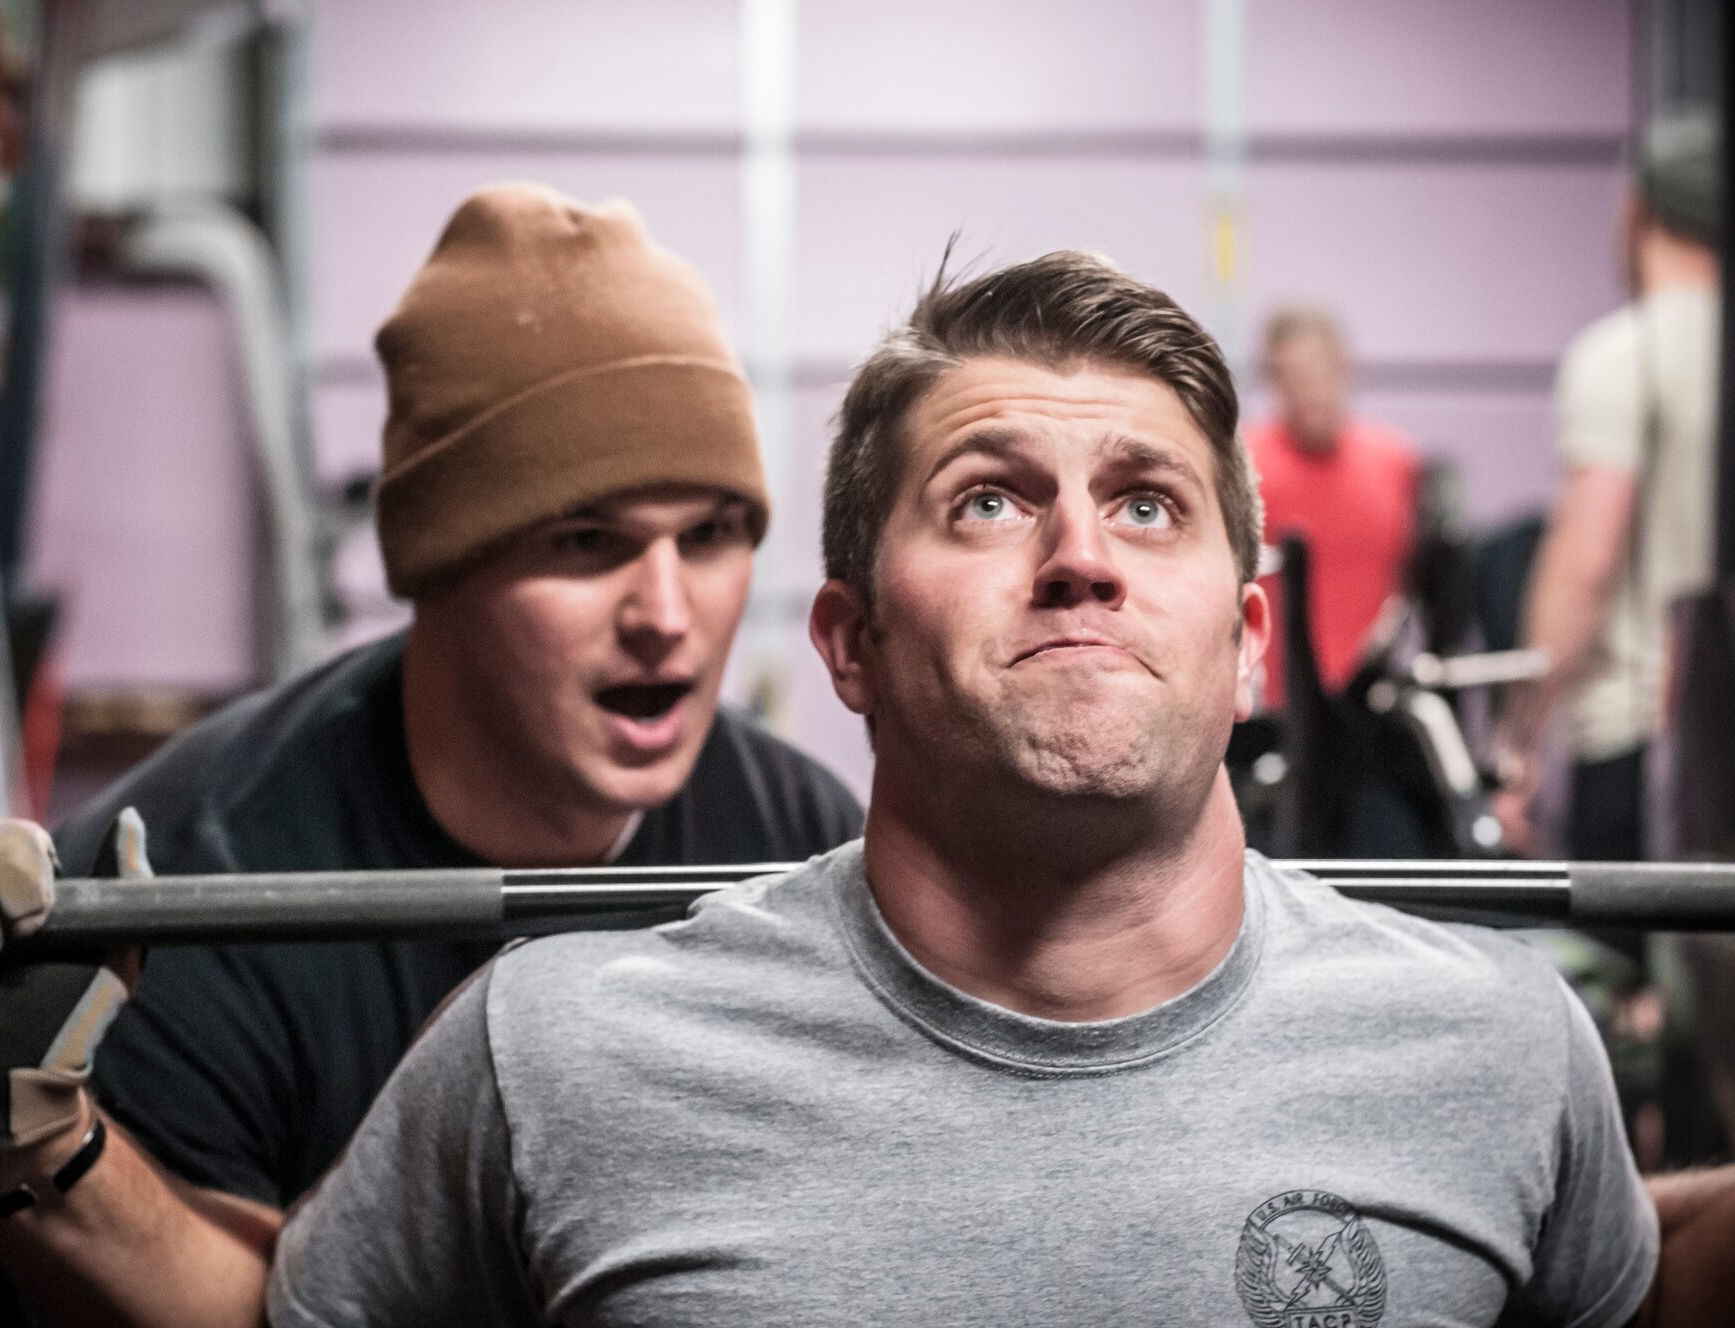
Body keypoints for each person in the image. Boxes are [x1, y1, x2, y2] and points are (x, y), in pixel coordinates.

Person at [266, 250, 1735, 1325]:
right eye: (989, 497)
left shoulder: (1500, 1051)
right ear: (851, 641)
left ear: (1247, 644)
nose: (1080, 553)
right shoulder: (555, 1058)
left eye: (1147, 503)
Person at [0, 183, 862, 1324]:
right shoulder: (192, 876)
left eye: (709, 535)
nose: (666, 611)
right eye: (585, 540)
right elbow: (264, 1313)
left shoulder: (789, 841)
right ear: (438, 560)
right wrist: (28, 1139)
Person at [1495, 110, 1721, 863]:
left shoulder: (1622, 354)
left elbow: (1585, 563)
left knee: (1627, 976)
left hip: (1639, 742)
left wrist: (1519, 743)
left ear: (1637, 211)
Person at [1246, 306, 1420, 705]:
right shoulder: (1244, 463)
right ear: (1275, 380)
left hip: (1372, 697)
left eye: (1323, 373)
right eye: (1298, 377)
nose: (1313, 391)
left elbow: (1409, 576)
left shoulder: (1394, 460)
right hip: (1275, 700)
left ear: (1345, 371)